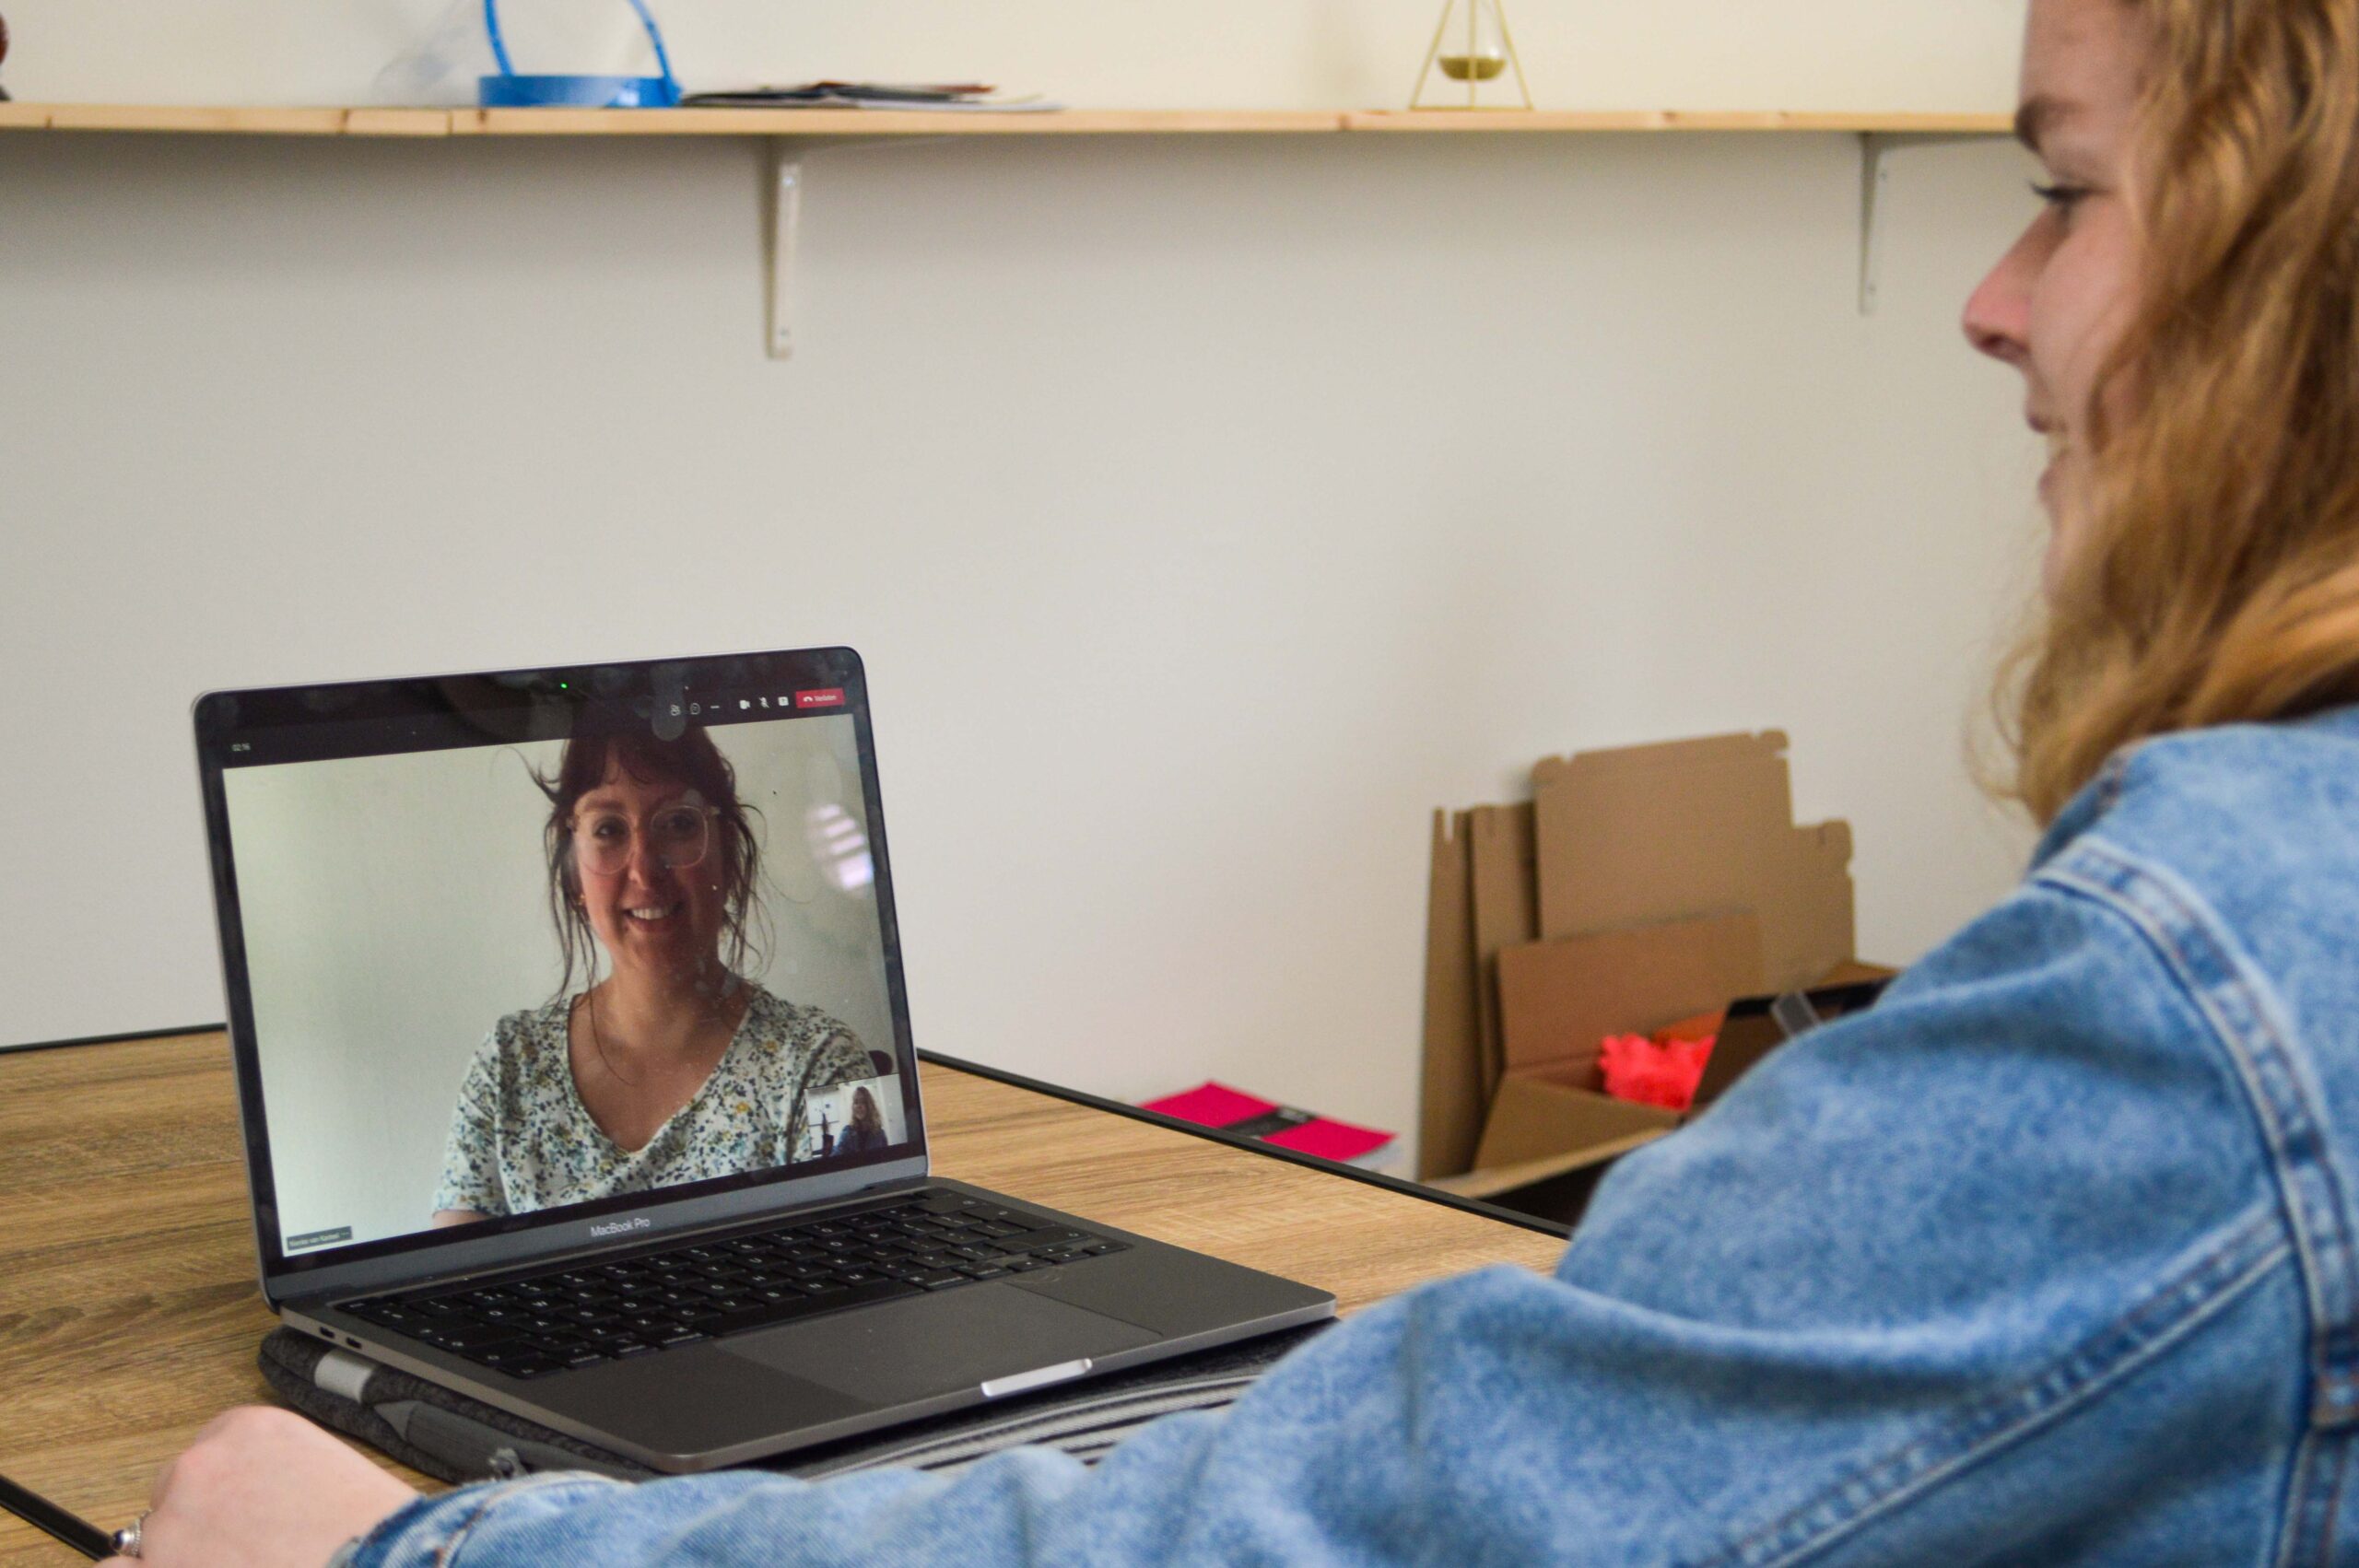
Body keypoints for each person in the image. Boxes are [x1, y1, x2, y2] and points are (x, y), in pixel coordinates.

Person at [102, 0, 2359, 1560]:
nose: (1989, 294)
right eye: (597, 824)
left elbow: (1344, 1526)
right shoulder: (512, 1072)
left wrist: (429, 1554)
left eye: (2062, 190)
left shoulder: (2211, 989)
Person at [430, 728, 874, 1224]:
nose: (644, 870)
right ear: (574, 868)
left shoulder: (818, 1068)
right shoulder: (506, 1065)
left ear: (726, 855)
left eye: (679, 823)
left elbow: (849, 1281)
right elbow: (458, 1283)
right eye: (608, 830)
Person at [829, 1083, 892, 1157]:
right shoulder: (847, 1132)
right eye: (856, 1102)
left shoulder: (880, 1134)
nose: (859, 1106)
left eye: (863, 1102)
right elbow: (838, 1152)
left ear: (869, 1106)